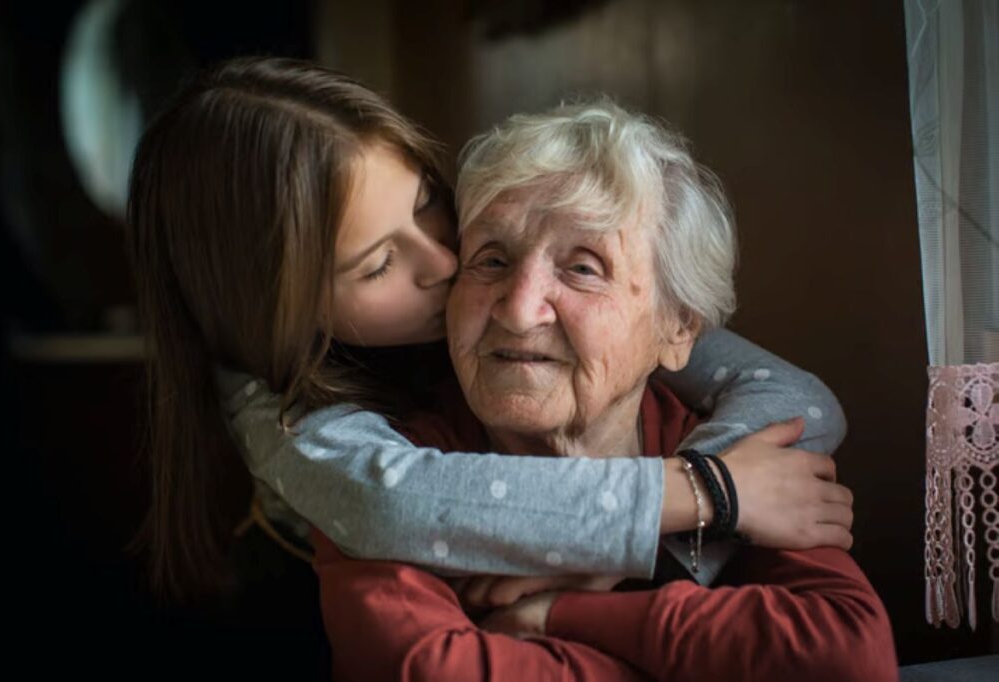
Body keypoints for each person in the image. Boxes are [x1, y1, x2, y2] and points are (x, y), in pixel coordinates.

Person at [127, 57, 851, 613]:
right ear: (280, 313)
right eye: (379, 262)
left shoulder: (522, 300)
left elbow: (800, 402)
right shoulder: (285, 415)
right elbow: (396, 504)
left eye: (428, 205)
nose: (446, 261)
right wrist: (705, 492)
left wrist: (653, 549)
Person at [309, 99, 898, 681]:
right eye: (491, 259)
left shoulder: (735, 452)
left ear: (678, 328)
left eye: (583, 268)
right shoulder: (395, 474)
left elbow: (846, 655)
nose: (518, 310)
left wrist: (561, 615)